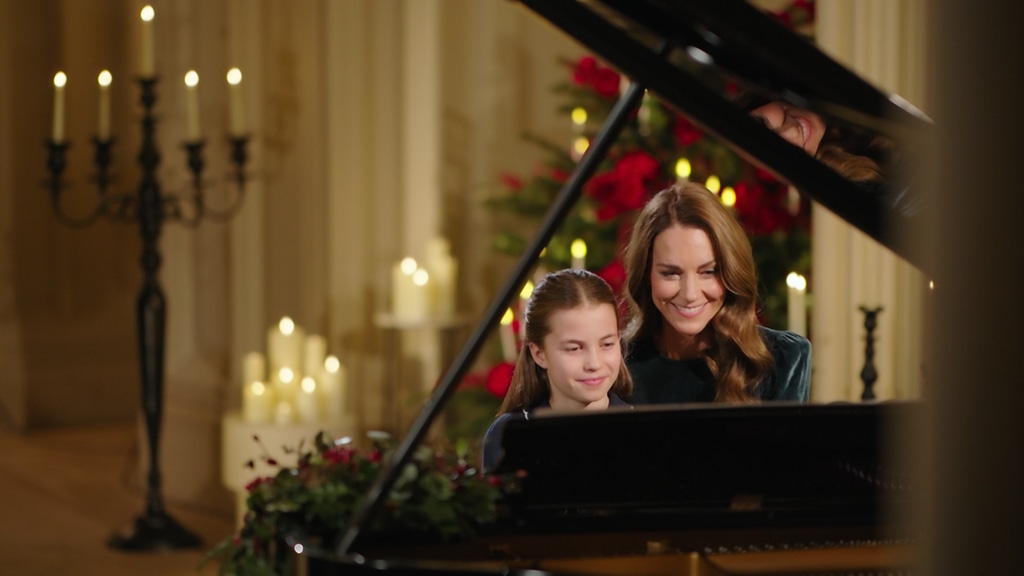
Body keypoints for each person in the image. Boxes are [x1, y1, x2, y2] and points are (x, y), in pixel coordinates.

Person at [622, 182, 811, 404]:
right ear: (646, 274)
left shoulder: (782, 359)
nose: (690, 293)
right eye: (671, 273)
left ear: (730, 272)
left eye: (708, 272)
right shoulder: (617, 365)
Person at [481, 269, 633, 473]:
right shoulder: (508, 435)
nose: (594, 363)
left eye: (606, 344)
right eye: (574, 348)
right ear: (539, 354)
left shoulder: (647, 429)